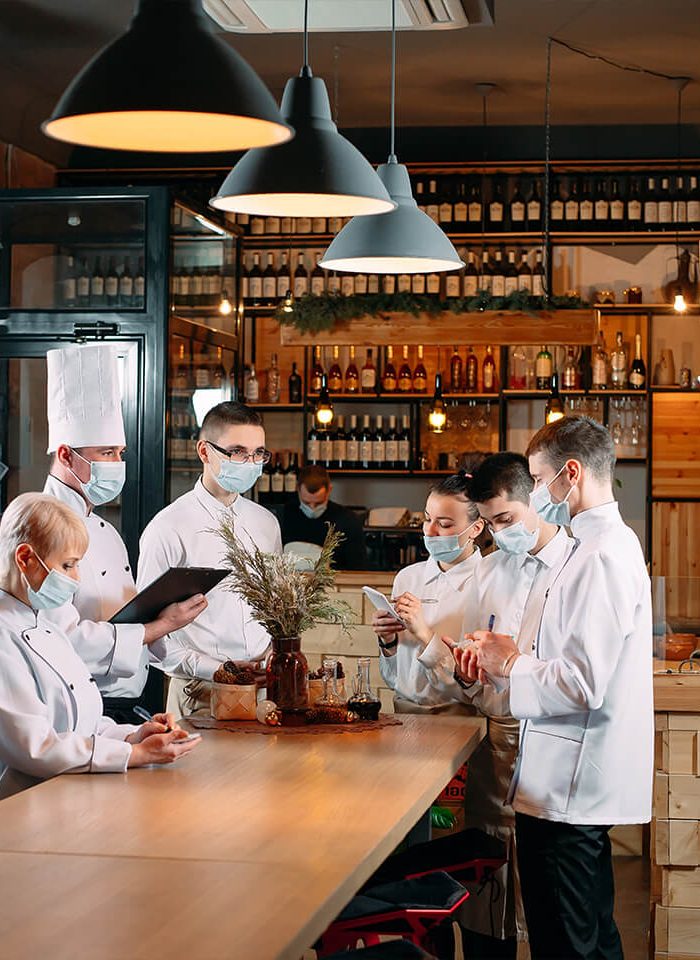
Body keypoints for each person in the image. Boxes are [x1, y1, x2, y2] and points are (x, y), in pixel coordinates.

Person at [457, 416, 653, 960]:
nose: (536, 492)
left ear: (571, 473)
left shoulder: (602, 554)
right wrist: (506, 658)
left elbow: (584, 682)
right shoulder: (586, 548)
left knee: (567, 945)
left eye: (539, 480)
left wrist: (511, 661)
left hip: (571, 787)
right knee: (588, 938)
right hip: (559, 782)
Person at [41, 343, 206, 722]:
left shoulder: (107, 533)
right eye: (107, 453)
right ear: (65, 455)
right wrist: (160, 625)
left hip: (124, 709)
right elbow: (59, 638)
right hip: (74, 709)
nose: (118, 464)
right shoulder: (42, 528)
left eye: (120, 452)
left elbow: (129, 623)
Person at [452, 452, 574, 959]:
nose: (500, 534)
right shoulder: (488, 568)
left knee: (554, 890)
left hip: (554, 736)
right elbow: (473, 651)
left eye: (507, 519)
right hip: (496, 730)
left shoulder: (575, 562)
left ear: (536, 498)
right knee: (492, 864)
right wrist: (467, 668)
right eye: (490, 523)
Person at [0, 493, 201, 799]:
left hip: (68, 794)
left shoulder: (45, 622)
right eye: (68, 565)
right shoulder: (4, 634)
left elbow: (84, 723)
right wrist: (135, 755)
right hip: (23, 803)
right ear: (25, 558)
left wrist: (134, 736)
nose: (76, 578)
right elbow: (34, 747)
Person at [137, 401, 282, 716]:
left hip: (263, 690)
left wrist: (277, 652)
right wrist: (216, 669)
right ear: (204, 451)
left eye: (258, 453)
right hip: (199, 691)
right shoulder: (168, 527)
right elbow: (148, 633)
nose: (250, 463)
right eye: (237, 452)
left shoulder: (266, 523)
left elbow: (275, 607)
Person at [372, 472, 485, 713]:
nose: (430, 531)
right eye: (427, 519)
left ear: (476, 528)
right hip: (402, 716)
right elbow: (394, 679)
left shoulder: (488, 583)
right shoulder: (407, 577)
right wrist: (388, 642)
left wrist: (424, 634)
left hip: (459, 718)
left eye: (444, 524)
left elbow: (475, 688)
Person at [281, 465, 368, 570]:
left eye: (319, 503)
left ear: (329, 490)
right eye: (306, 502)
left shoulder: (348, 521)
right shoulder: (282, 516)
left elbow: (358, 568)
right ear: (297, 489)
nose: (312, 508)